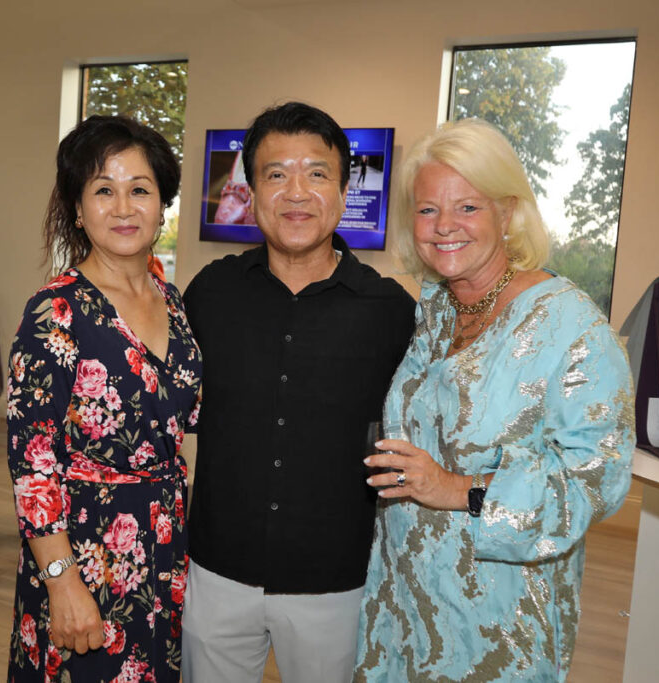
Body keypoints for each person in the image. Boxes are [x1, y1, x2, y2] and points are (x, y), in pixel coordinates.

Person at [355, 118, 635, 681]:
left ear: (507, 214)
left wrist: (456, 488)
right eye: (428, 209)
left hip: (500, 618)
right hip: (402, 601)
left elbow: (597, 479)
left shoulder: (570, 325)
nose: (444, 226)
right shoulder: (438, 308)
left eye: (468, 207)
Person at [181, 102, 415, 682]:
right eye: (276, 174)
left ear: (343, 192)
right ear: (251, 191)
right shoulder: (210, 293)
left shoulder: (389, 310)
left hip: (334, 581)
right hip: (217, 569)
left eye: (316, 173)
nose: (296, 193)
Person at [5, 115, 201, 681]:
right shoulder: (55, 311)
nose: (123, 208)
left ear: (161, 204)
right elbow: (32, 465)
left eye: (139, 189)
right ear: (77, 208)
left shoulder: (173, 301)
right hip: (84, 555)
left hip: (164, 549)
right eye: (103, 191)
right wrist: (62, 581)